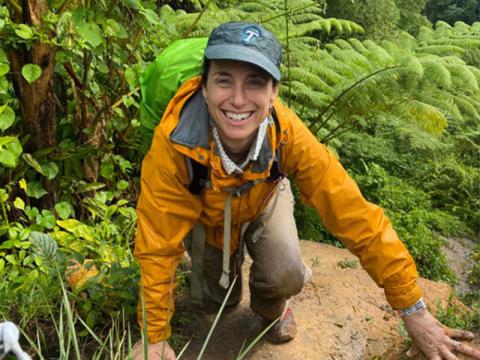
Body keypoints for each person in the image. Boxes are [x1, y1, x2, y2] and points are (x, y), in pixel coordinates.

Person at [133, 22, 480, 360]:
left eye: (254, 82)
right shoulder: (175, 143)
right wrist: (154, 338)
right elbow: (157, 245)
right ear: (204, 86)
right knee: (214, 303)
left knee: (285, 273)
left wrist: (413, 308)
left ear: (273, 93)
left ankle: (273, 308)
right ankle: (222, 276)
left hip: (264, 199)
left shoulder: (287, 135)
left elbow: (352, 212)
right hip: (207, 215)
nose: (238, 99)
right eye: (224, 80)